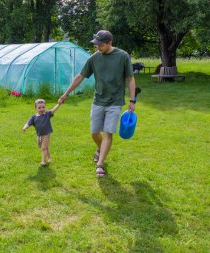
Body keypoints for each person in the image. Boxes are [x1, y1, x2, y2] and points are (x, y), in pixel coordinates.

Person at [58, 30, 136, 177]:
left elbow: (130, 79)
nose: (97, 48)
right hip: (98, 100)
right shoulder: (94, 58)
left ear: (109, 43)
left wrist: (132, 100)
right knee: (94, 133)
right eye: (96, 45)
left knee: (108, 133)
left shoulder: (122, 56)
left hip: (115, 101)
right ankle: (101, 149)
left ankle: (100, 164)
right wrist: (66, 94)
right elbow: (80, 76)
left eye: (100, 45)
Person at [22, 99, 61, 166]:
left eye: (43, 107)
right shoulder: (34, 117)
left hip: (46, 135)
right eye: (39, 108)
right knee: (42, 147)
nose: (41, 109)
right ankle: (49, 157)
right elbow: (28, 123)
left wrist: (59, 104)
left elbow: (54, 109)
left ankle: (43, 161)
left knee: (43, 148)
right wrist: (25, 127)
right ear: (35, 108)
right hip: (39, 136)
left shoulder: (47, 114)